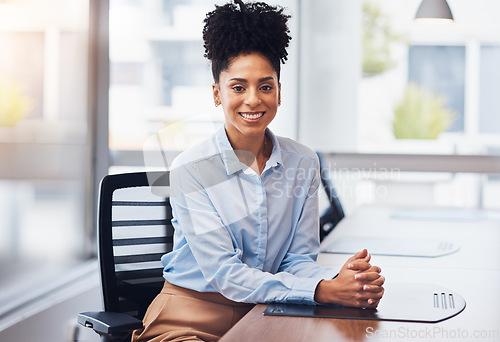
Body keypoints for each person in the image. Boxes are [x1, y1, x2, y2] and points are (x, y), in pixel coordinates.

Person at [132, 1, 384, 341]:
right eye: (238, 87)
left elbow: (297, 260)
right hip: (191, 315)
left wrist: (344, 281)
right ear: (217, 94)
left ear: (279, 92)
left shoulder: (303, 163)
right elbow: (226, 274)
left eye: (265, 86)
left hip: (268, 310)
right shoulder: (189, 170)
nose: (253, 100)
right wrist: (322, 291)